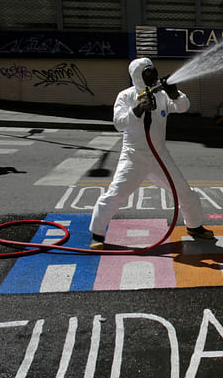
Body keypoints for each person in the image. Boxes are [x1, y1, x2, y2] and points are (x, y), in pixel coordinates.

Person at [89, 57, 213, 249]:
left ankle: (194, 226)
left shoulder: (162, 94)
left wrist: (174, 94)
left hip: (159, 156)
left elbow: (183, 107)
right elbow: (119, 123)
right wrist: (137, 109)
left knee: (185, 192)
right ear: (137, 75)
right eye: (146, 72)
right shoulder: (126, 96)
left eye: (152, 71)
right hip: (134, 156)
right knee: (115, 195)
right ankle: (97, 234)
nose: (151, 75)